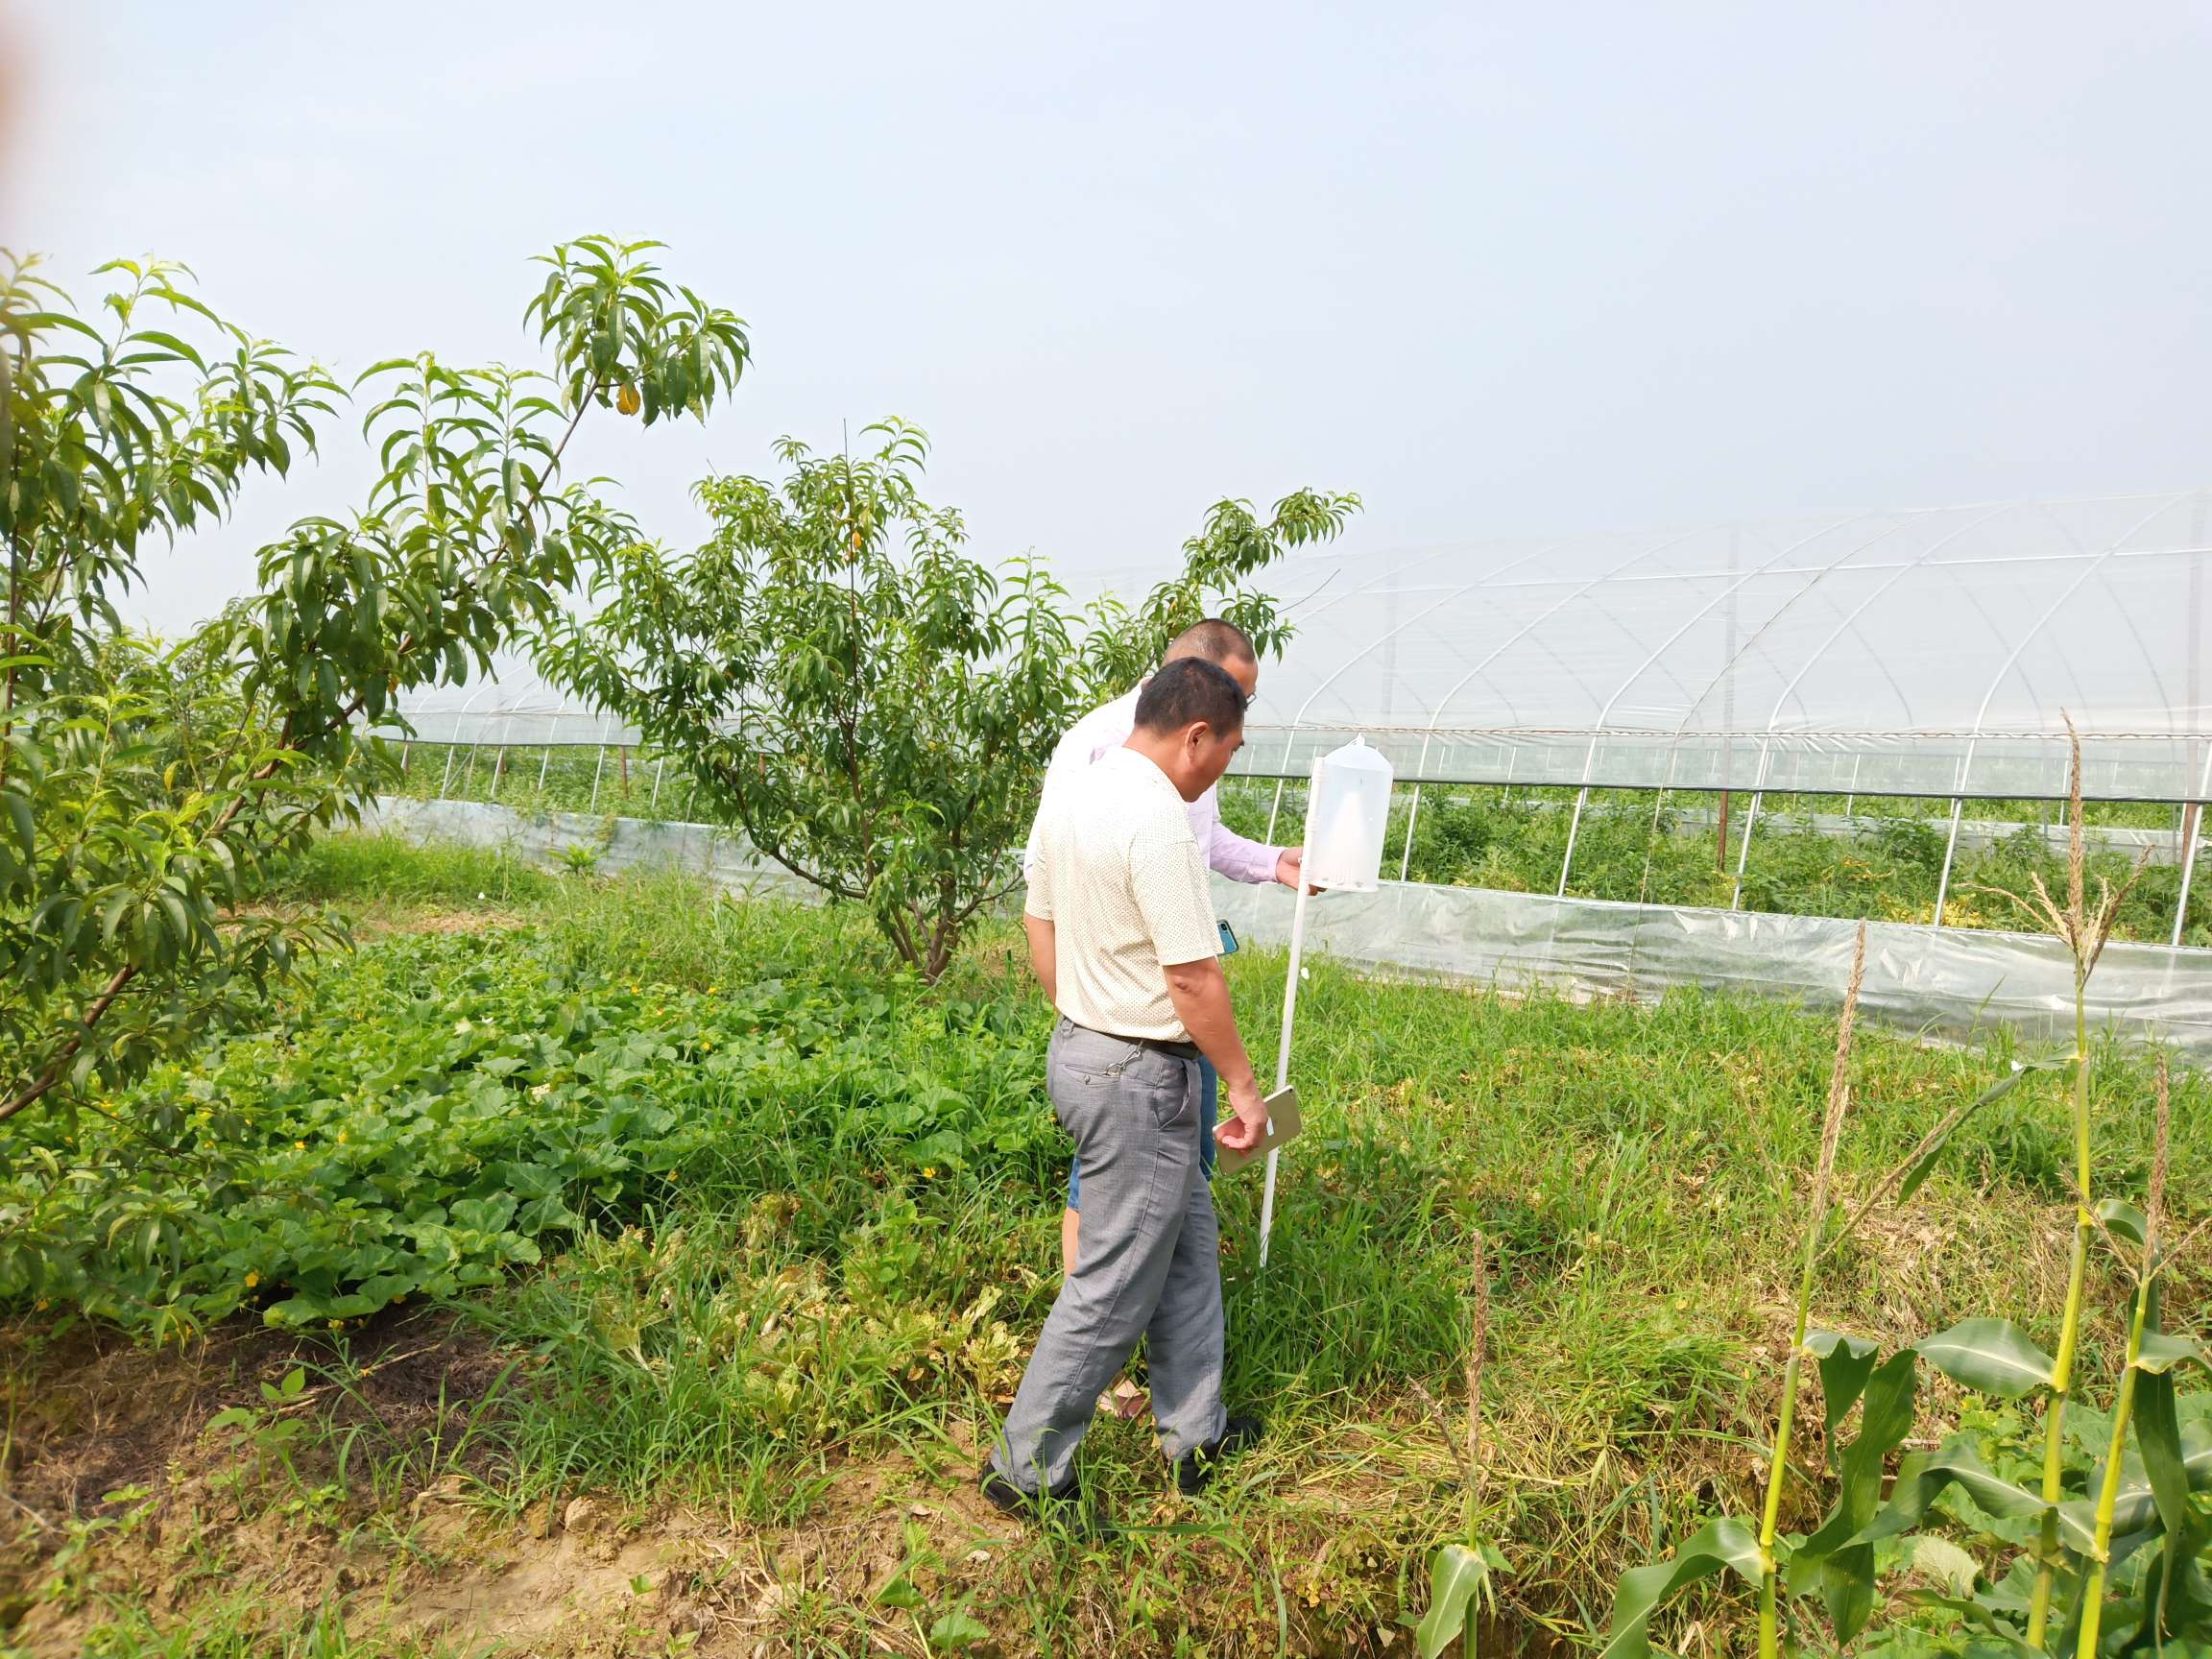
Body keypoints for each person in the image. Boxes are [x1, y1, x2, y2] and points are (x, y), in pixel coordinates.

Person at [984, 657, 1268, 1524]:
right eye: (1229, 751)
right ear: (1195, 737)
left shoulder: (1074, 793)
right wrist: (1244, 1087)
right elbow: (1192, 976)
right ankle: (1027, 1469)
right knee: (1112, 1282)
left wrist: (1084, 1012)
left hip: (1084, 1050)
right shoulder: (1157, 819)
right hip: (1142, 1076)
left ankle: (1196, 1435)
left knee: (1185, 1250)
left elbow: (1038, 919)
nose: (1223, 770)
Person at [1026, 620, 1301, 1286]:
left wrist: (1274, 862)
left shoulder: (1188, 756)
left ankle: (1159, 1317)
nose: (1238, 715)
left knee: (1182, 1171)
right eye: (1236, 694)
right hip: (1127, 1026)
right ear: (1194, 682)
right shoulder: (1100, 745)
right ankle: (1096, 1321)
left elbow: (1205, 841)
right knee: (1101, 1188)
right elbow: (1044, 884)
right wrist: (1085, 1015)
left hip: (1178, 1020)